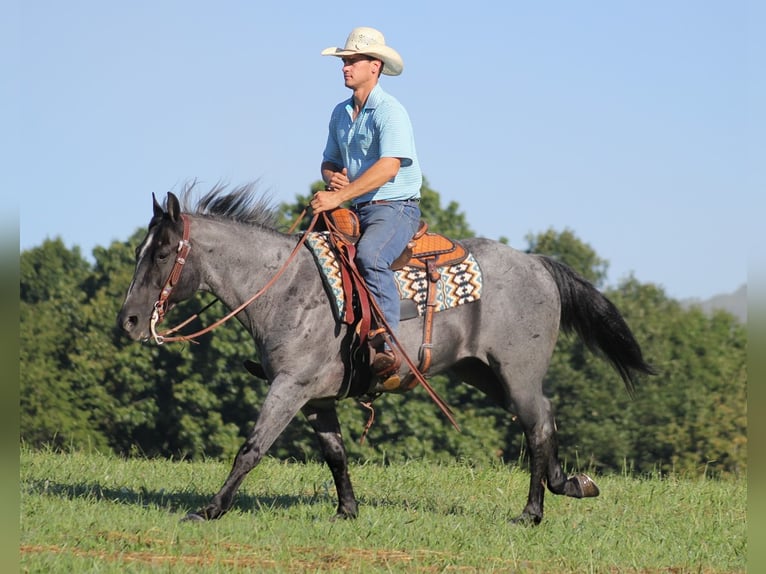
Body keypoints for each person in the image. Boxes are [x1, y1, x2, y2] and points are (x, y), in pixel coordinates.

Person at [310, 27, 422, 379]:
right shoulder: (340, 113)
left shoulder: (391, 111)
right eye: (344, 61)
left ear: (375, 65)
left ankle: (386, 347)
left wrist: (339, 196)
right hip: (354, 207)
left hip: (396, 207)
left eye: (353, 60)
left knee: (371, 256)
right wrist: (333, 179)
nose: (345, 66)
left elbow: (389, 167)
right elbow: (329, 161)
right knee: (305, 253)